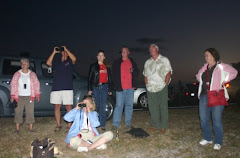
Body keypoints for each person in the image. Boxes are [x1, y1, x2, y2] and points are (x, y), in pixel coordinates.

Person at [196, 48, 237, 150]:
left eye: (207, 55)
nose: (205, 57)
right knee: (203, 119)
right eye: (205, 55)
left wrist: (225, 80)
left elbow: (234, 72)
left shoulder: (221, 66)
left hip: (217, 94)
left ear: (213, 56)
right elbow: (198, 76)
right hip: (204, 95)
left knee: (216, 119)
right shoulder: (204, 67)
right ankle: (207, 138)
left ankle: (218, 141)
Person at [143, 44, 172, 134]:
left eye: (153, 49)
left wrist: (165, 83)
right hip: (150, 88)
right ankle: (155, 125)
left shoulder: (164, 60)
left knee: (163, 106)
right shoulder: (147, 62)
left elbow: (168, 72)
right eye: (150, 49)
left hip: (161, 86)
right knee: (152, 108)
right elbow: (145, 74)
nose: (151, 50)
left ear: (157, 50)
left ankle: (163, 126)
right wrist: (147, 84)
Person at [46, 46, 77, 132]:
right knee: (57, 106)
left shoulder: (70, 62)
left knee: (68, 107)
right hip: (56, 88)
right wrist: (54, 52)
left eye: (65, 51)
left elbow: (74, 59)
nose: (63, 52)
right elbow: (48, 63)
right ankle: (58, 125)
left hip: (67, 88)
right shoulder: (56, 62)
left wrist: (67, 49)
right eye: (62, 51)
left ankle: (69, 126)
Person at [111, 46, 139, 130]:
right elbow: (113, 75)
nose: (124, 52)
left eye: (126, 51)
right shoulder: (117, 62)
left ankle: (128, 123)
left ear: (128, 52)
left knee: (129, 106)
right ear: (121, 53)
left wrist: (133, 71)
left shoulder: (132, 61)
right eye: (123, 51)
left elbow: (137, 72)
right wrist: (116, 85)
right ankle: (115, 124)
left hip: (130, 88)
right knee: (119, 106)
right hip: (120, 88)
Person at [10, 58, 40, 133]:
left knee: (30, 111)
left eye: (26, 63)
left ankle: (31, 128)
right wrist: (12, 96)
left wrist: (37, 94)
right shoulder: (17, 74)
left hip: (30, 96)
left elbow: (37, 84)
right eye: (23, 64)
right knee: (18, 111)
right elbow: (13, 85)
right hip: (19, 96)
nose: (24, 65)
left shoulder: (32, 74)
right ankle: (17, 129)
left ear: (29, 65)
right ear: (21, 65)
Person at [88, 51, 112, 130]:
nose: (100, 57)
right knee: (95, 105)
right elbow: (89, 78)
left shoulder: (107, 66)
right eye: (99, 55)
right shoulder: (93, 66)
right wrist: (89, 89)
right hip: (96, 87)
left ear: (104, 57)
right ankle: (95, 123)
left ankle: (102, 124)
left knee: (103, 105)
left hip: (104, 87)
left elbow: (110, 78)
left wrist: (110, 88)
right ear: (97, 56)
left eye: (102, 55)